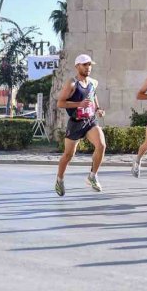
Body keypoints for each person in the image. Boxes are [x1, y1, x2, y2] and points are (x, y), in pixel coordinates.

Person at [54, 54, 106, 196]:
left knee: (101, 145)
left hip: (90, 121)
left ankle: (92, 176)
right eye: (85, 65)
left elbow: (93, 96)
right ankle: (59, 179)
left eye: (89, 65)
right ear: (77, 66)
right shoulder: (72, 83)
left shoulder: (93, 82)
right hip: (76, 123)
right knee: (68, 155)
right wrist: (79, 104)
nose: (88, 67)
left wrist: (98, 109)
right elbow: (60, 103)